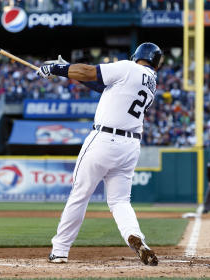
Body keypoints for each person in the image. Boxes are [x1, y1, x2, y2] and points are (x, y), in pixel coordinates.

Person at [37, 42, 163, 266]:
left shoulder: (128, 67)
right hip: (130, 146)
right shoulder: (151, 81)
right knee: (120, 201)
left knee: (80, 194)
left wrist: (56, 69)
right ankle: (135, 237)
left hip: (104, 139)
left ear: (137, 55)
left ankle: (60, 250)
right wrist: (69, 69)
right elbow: (101, 86)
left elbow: (89, 72)